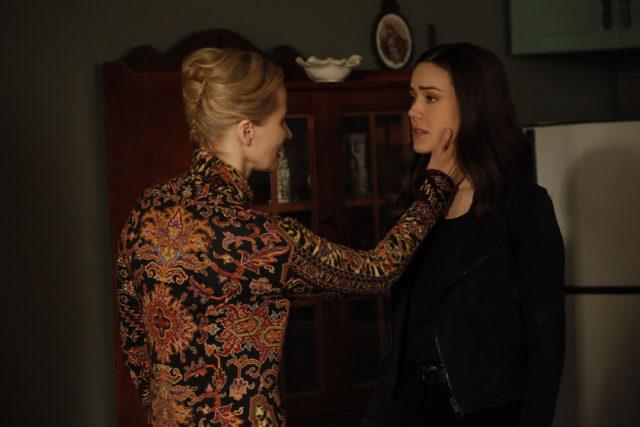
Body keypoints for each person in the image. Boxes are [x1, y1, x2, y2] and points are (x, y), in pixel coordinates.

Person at [116, 48, 461, 426]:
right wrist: (437, 186)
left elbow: (135, 342)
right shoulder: (259, 240)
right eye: (281, 120)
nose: (288, 133)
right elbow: (377, 271)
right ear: (247, 131)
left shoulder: (147, 209)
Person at [362, 43, 565, 427]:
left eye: (430, 97)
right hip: (409, 406)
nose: (413, 110)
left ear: (473, 107)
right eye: (412, 97)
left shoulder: (522, 204)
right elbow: (400, 328)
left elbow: (547, 340)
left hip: (486, 410)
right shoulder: (414, 203)